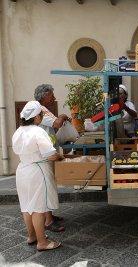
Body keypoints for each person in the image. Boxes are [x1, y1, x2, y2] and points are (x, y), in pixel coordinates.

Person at [12, 101, 62, 251]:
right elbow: (50, 154)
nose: (42, 116)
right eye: (41, 114)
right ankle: (42, 242)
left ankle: (32, 236)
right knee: (38, 207)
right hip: (36, 170)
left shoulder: (18, 131)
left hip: (22, 170)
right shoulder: (38, 131)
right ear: (36, 117)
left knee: (27, 206)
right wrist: (59, 156)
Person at [34, 84, 68, 232]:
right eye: (51, 94)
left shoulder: (44, 109)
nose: (54, 97)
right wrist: (63, 116)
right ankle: (48, 221)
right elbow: (57, 122)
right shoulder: (40, 110)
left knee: (49, 184)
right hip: (44, 155)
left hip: (47, 152)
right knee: (47, 186)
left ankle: (50, 216)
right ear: (44, 95)